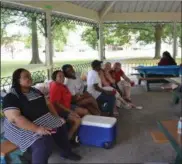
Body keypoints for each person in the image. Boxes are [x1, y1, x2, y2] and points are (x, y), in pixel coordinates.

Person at [2, 68, 81, 164]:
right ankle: (31, 157)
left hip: (40, 119)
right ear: (17, 80)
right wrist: (37, 129)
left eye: (30, 76)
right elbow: (16, 119)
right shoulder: (11, 96)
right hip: (19, 127)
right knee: (43, 142)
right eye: (26, 77)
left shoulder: (35, 91)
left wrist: (56, 117)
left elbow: (49, 104)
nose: (30, 78)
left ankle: (66, 151)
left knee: (61, 124)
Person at [49, 70, 89, 142]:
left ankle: (84, 133)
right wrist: (71, 112)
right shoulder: (56, 86)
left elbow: (68, 98)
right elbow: (57, 104)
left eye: (63, 76)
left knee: (85, 111)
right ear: (55, 78)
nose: (62, 78)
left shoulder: (62, 85)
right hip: (59, 110)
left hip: (67, 106)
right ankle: (68, 139)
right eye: (60, 76)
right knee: (77, 120)